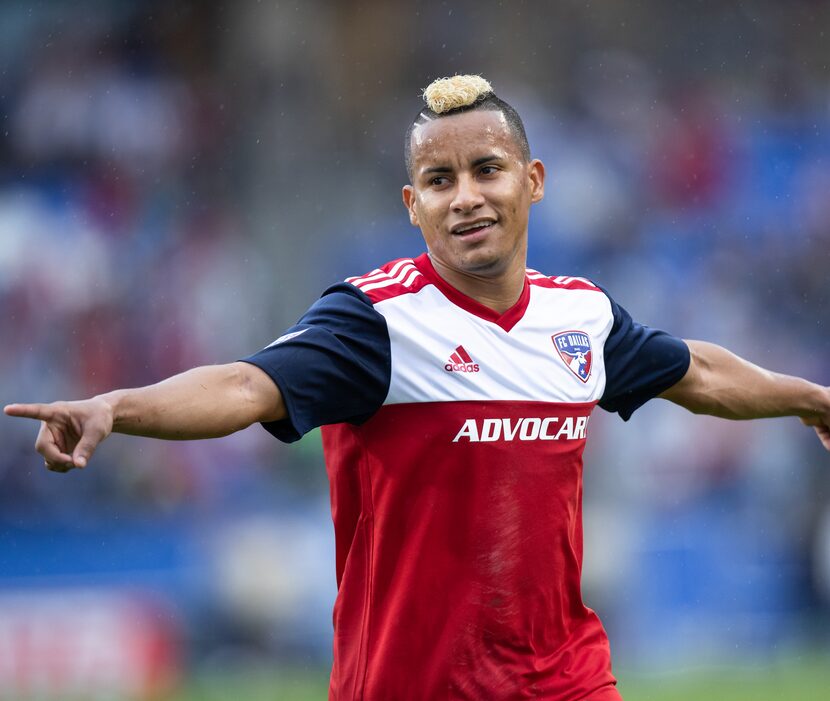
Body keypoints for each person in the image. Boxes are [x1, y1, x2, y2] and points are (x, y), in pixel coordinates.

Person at [5, 75, 830, 701]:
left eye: (487, 169)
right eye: (440, 180)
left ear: (533, 179)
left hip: (564, 678)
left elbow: (700, 372)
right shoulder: (375, 321)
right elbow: (241, 383)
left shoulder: (580, 316)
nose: (466, 196)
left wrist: (810, 398)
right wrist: (117, 407)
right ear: (413, 204)